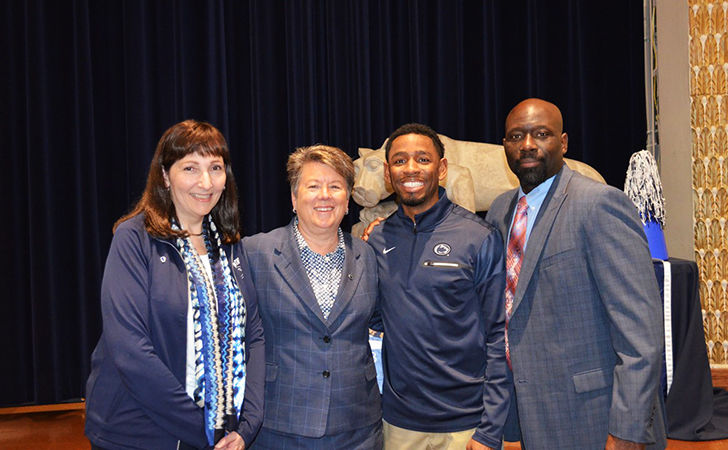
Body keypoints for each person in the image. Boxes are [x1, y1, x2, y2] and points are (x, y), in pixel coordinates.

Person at [486, 98, 666, 449]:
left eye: (541, 134)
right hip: (529, 413)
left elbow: (641, 333)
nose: (527, 145)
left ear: (563, 143)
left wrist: (628, 429)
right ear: (504, 146)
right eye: (516, 136)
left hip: (595, 417)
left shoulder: (599, 205)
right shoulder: (499, 211)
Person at [85, 120, 265, 450]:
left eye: (215, 167)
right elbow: (130, 351)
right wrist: (207, 432)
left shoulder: (229, 245)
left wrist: (247, 425)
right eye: (190, 168)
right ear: (166, 176)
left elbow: (253, 335)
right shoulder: (134, 238)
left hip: (221, 435)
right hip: (137, 434)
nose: (206, 182)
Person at [365, 123, 511, 450]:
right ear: (388, 173)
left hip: (467, 424)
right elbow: (375, 318)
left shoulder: (478, 237)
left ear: (441, 168)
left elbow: (498, 335)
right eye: (400, 161)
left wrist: (489, 429)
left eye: (422, 159)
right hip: (399, 425)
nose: (411, 168)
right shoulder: (377, 239)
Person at [244, 145, 382, 449]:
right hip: (279, 425)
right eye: (313, 186)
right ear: (294, 199)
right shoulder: (255, 253)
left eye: (335, 186)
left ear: (347, 201)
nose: (325, 195)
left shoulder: (368, 256)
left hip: (358, 427)